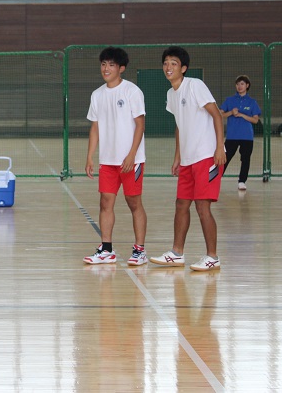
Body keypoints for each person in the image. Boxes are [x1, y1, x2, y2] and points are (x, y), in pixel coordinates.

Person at [150, 46, 225, 272]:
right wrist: (177, 157)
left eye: (174, 63)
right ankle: (176, 253)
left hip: (206, 156)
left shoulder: (195, 86)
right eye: (165, 63)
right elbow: (180, 126)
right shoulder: (171, 94)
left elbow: (216, 114)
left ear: (183, 68)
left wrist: (219, 147)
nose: (168, 67)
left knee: (203, 207)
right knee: (181, 204)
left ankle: (212, 257)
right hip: (188, 159)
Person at [83, 47, 148, 266]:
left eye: (111, 65)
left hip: (132, 161)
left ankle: (139, 250)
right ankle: (106, 249)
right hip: (108, 161)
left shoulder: (132, 91)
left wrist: (131, 155)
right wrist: (90, 156)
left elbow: (140, 125)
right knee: (105, 203)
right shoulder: (97, 94)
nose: (106, 68)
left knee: (134, 203)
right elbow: (95, 127)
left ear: (121, 68)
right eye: (103, 64)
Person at [220, 75, 261, 191]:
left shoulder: (252, 102)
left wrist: (242, 115)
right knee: (224, 158)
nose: (239, 86)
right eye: (238, 84)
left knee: (245, 159)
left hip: (247, 137)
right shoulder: (230, 100)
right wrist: (231, 113)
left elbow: (255, 120)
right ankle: (215, 179)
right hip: (232, 136)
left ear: (247, 86)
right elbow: (220, 115)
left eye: (242, 84)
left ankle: (242, 181)